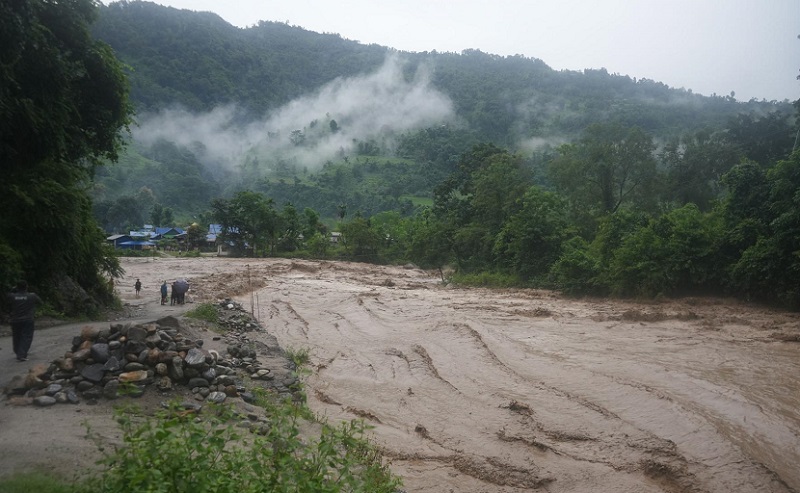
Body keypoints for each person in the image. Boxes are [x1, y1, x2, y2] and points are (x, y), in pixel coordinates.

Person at [6, 280, 42, 362]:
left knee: (16, 336)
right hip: (28, 319)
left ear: (17, 287)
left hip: (15, 320)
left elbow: (7, 296)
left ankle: (17, 351)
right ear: (27, 287)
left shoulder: (12, 296)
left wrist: (13, 290)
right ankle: (21, 354)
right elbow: (40, 302)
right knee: (26, 337)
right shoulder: (32, 296)